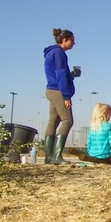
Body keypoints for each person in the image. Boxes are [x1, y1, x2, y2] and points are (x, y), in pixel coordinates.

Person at [43, 28, 78, 165]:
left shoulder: (50, 52)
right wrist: (66, 95)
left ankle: (48, 157)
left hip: (51, 89)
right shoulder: (59, 53)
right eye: (72, 41)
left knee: (53, 121)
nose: (74, 44)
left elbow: (58, 74)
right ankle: (57, 156)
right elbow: (60, 74)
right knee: (68, 121)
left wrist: (71, 76)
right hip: (58, 91)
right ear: (65, 40)